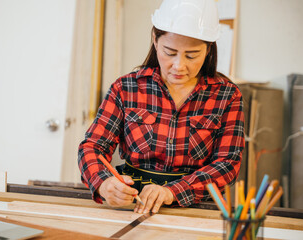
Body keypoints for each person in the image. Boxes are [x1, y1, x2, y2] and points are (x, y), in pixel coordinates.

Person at [78, 0, 244, 214]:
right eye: (169, 52)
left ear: (208, 50)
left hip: (195, 207)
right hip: (132, 204)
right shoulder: (126, 88)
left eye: (192, 55)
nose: (179, 66)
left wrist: (172, 192)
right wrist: (103, 183)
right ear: (155, 41)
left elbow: (227, 163)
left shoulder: (226, 95)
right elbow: (92, 146)